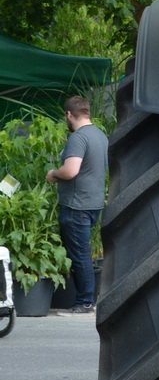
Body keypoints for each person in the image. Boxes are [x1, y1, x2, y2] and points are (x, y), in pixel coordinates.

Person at [46, 95, 108, 315]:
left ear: (69, 114)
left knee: (79, 255)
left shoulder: (78, 137)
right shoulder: (100, 135)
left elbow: (71, 170)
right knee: (82, 253)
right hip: (92, 204)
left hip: (76, 205)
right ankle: (87, 300)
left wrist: (54, 173)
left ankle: (85, 302)